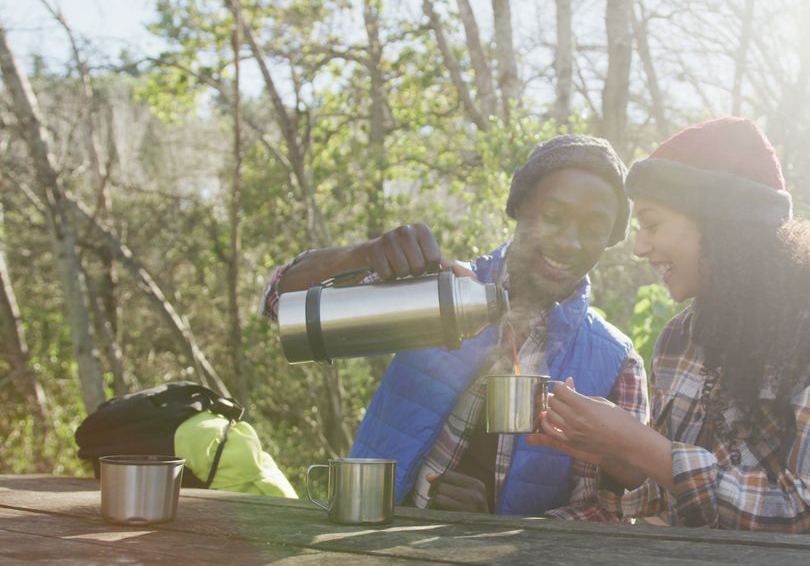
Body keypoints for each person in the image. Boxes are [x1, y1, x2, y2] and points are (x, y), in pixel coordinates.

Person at [529, 118, 810, 537]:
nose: (639, 247)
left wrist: (640, 445)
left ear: (721, 224)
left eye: (652, 224)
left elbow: (801, 516)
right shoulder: (680, 339)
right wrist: (614, 454)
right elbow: (677, 499)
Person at [261, 135, 648, 520]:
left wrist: (494, 528)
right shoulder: (437, 288)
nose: (569, 242)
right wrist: (364, 255)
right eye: (552, 217)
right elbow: (279, 304)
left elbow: (607, 511)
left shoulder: (617, 361)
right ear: (520, 208)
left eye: (595, 228)